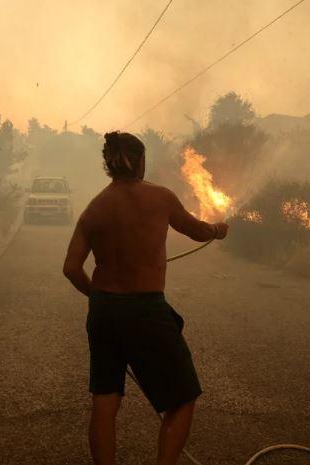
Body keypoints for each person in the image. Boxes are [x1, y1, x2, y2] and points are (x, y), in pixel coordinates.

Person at [63, 131, 229, 465]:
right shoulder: (160, 197)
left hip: (103, 312)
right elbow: (197, 230)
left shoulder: (93, 209)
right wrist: (216, 230)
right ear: (140, 162)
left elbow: (70, 268)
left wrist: (98, 297)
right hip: (145, 311)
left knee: (105, 401)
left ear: (108, 165)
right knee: (182, 398)